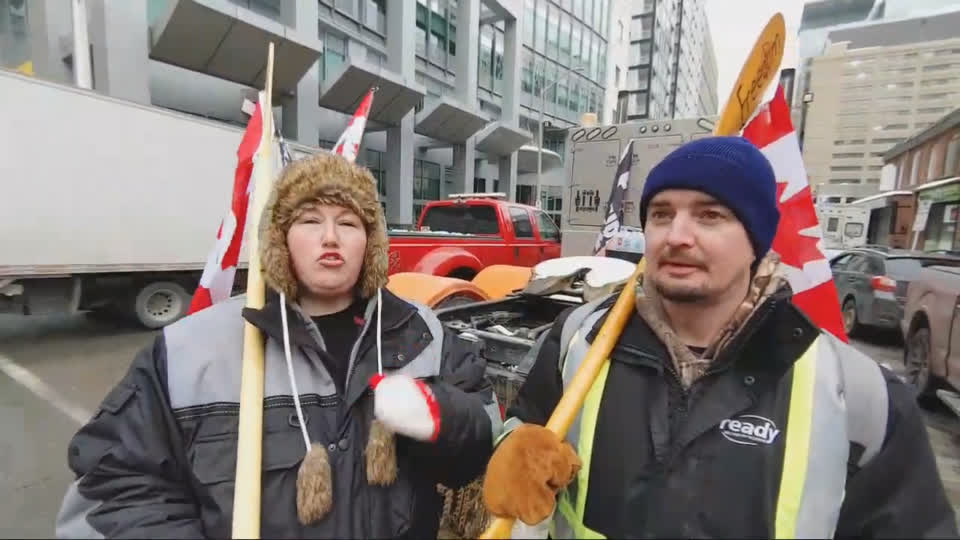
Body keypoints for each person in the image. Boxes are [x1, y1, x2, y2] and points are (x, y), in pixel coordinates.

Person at [482, 136, 958, 538]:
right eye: (662, 214)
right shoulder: (578, 342)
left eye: (710, 216)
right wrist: (512, 446)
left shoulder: (860, 397)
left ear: (756, 240)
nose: (677, 236)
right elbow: (525, 431)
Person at [55, 153, 502, 538]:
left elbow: (483, 445)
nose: (331, 237)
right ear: (280, 241)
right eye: (310, 221)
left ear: (371, 243)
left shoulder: (421, 333)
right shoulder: (194, 348)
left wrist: (440, 413)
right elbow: (111, 488)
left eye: (348, 223)